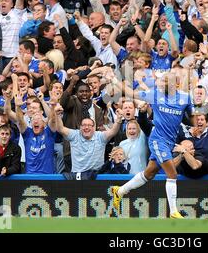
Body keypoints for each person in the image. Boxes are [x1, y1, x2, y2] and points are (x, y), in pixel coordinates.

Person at [111, 70, 193, 218]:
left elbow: (190, 118)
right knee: (172, 173)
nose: (164, 83)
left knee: (149, 173)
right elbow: (131, 93)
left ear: (177, 84)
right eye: (163, 80)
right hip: (157, 139)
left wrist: (194, 127)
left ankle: (120, 191)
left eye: (168, 81)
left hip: (170, 141)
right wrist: (114, 80)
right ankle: (174, 211)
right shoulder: (155, 94)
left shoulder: (186, 98)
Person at [54, 106, 122, 179]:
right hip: (77, 176)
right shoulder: (74, 135)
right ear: (80, 127)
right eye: (84, 125)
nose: (86, 127)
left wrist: (119, 119)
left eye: (89, 125)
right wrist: (57, 115)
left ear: (94, 128)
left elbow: (113, 131)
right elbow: (60, 129)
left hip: (97, 176)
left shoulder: (100, 136)